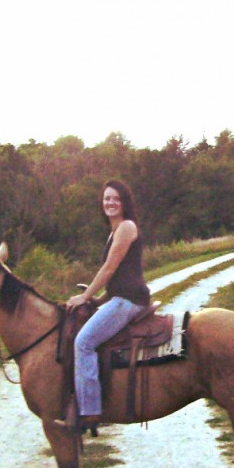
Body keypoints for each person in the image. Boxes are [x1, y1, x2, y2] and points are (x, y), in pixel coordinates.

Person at [56, 179, 151, 430]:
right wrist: (99, 300)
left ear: (124, 203)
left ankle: (90, 411)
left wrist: (85, 297)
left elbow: (110, 268)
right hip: (120, 297)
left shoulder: (127, 227)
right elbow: (120, 276)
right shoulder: (114, 230)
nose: (110, 202)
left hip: (129, 301)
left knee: (84, 343)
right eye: (107, 198)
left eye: (115, 198)